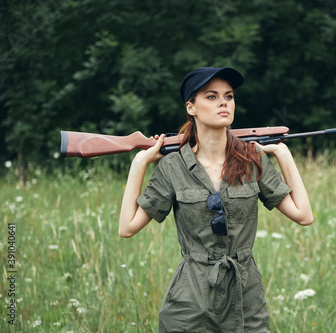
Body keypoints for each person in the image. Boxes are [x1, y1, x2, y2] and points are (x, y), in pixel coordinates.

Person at [118, 67, 313, 333]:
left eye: (229, 96)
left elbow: (304, 216)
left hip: (246, 297)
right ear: (191, 107)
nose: (224, 102)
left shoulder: (252, 161)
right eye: (211, 96)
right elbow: (127, 228)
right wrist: (139, 162)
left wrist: (284, 156)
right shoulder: (172, 167)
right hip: (190, 301)